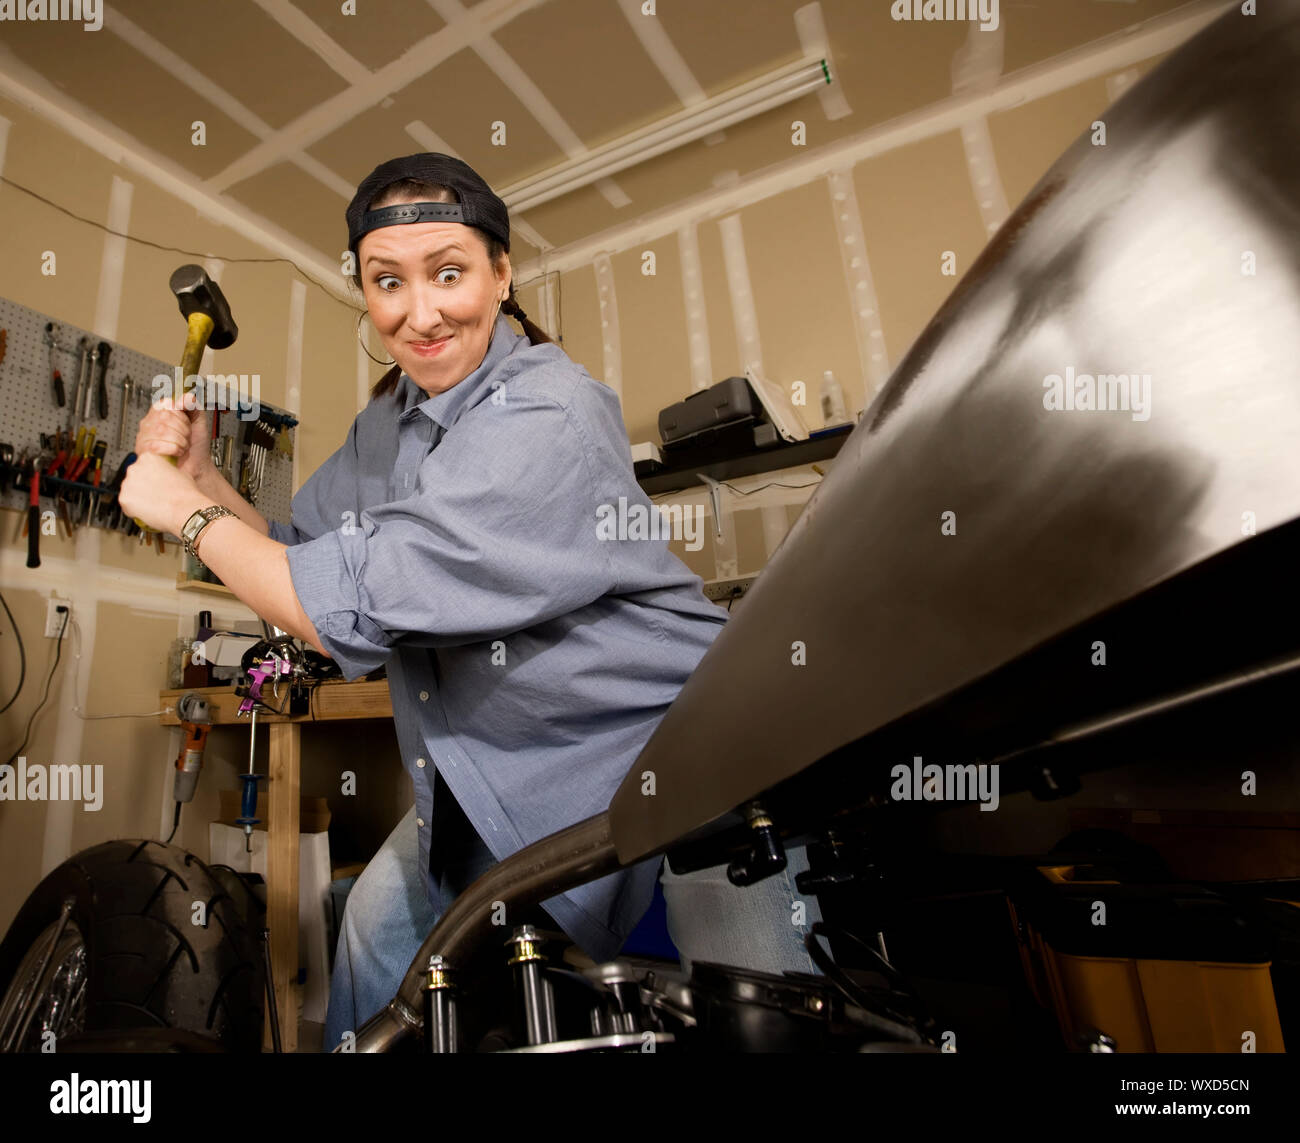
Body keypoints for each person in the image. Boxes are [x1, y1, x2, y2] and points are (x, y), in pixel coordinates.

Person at [120, 153, 822, 1051]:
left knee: (764, 1017)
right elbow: (299, 563)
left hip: (685, 769)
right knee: (375, 932)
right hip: (491, 789)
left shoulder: (550, 411)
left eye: (448, 272)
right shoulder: (385, 426)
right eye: (387, 283)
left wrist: (185, 513)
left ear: (501, 273)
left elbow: (348, 602)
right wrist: (206, 478)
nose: (421, 313)